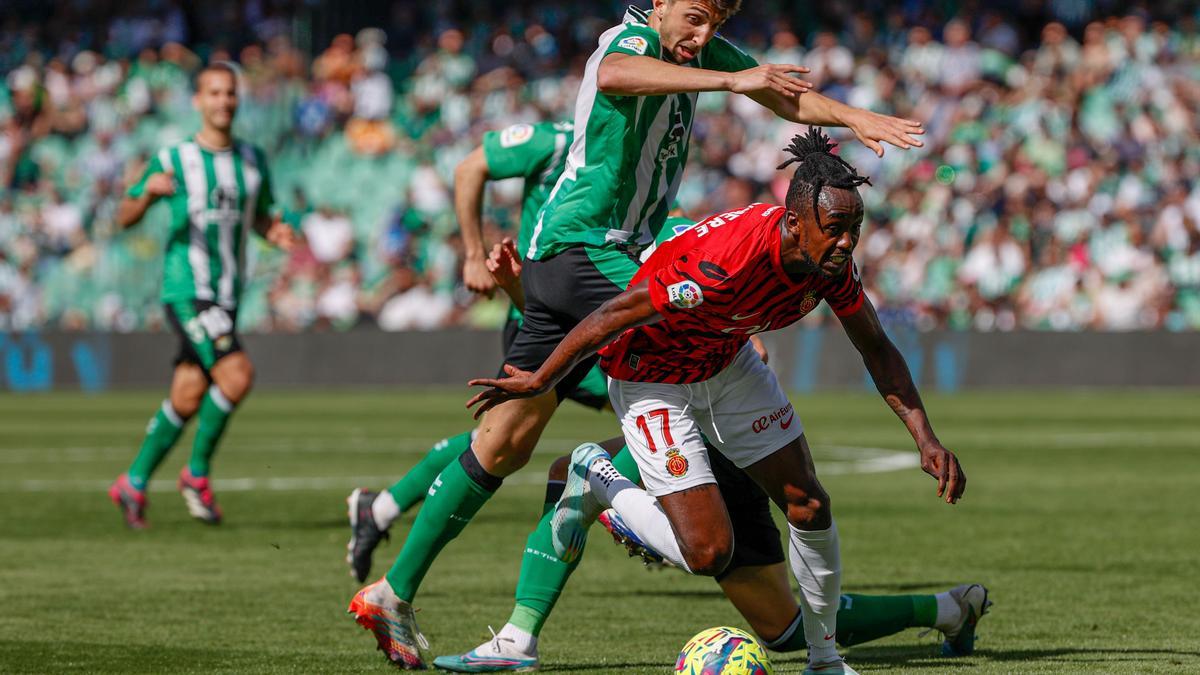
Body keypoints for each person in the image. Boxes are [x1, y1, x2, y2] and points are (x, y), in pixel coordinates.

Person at [347, 0, 924, 667]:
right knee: (706, 351)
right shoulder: (630, 40)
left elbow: (780, 95)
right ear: (658, 3)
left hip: (562, 257)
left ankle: (399, 590)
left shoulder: (698, 50)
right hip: (593, 247)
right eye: (695, 17)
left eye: (716, 24)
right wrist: (729, 80)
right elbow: (618, 73)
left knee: (502, 443)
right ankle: (615, 484)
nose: (704, 36)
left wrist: (854, 117)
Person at [465, 128, 965, 675]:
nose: (847, 243)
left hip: (727, 364)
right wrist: (541, 378)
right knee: (708, 554)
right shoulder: (722, 265)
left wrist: (926, 438)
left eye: (855, 230)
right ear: (794, 223)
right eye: (836, 230)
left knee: (810, 503)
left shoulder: (830, 267)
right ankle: (595, 476)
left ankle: (825, 660)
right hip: (652, 377)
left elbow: (876, 346)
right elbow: (614, 315)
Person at [107, 62, 295, 528]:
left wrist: (275, 233)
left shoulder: (253, 161)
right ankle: (196, 475)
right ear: (198, 101)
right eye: (214, 93)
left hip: (228, 293)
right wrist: (146, 194)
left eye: (230, 93)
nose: (223, 101)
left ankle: (132, 482)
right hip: (188, 290)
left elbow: (259, 217)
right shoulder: (173, 158)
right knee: (236, 376)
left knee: (188, 395)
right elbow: (124, 215)